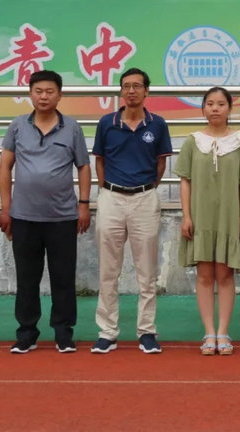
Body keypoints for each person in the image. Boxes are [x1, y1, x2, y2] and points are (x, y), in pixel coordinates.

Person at [0, 70, 91, 354]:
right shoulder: (17, 126)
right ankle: (27, 333)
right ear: (30, 93)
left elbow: (84, 167)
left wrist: (84, 204)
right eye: (38, 91)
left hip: (63, 216)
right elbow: (5, 167)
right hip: (24, 216)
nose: (44, 96)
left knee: (63, 276)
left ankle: (63, 332)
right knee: (27, 278)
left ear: (60, 94)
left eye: (50, 91)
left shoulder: (72, 127)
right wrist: (6, 207)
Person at [91, 67, 172, 354]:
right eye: (126, 86)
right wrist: (105, 190)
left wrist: (146, 187)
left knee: (146, 271)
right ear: (121, 91)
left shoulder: (158, 125)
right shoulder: (107, 123)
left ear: (147, 91)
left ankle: (147, 331)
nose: (131, 91)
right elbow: (99, 160)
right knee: (108, 270)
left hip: (145, 198)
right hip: (111, 197)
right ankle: (108, 331)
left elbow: (160, 164)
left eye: (137, 86)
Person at [175, 87, 240, 356]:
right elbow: (185, 180)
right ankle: (208, 332)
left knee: (226, 274)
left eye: (221, 104)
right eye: (210, 103)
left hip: (230, 217)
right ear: (203, 109)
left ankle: (223, 332)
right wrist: (186, 215)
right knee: (205, 274)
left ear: (230, 109)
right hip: (200, 217)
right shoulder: (192, 141)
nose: (215, 108)